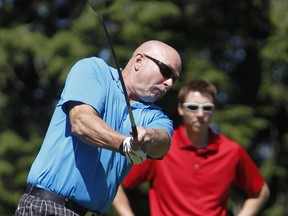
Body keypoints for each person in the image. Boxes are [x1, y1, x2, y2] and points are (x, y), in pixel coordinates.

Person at [15, 40, 182, 216]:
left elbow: (162, 142)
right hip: (49, 207)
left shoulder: (156, 116)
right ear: (139, 61)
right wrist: (125, 143)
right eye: (165, 71)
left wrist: (149, 137)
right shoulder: (94, 70)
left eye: (174, 78)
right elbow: (81, 122)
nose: (169, 83)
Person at [113, 79, 270, 216]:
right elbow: (115, 182)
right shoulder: (161, 146)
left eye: (207, 108)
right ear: (181, 109)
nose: (200, 114)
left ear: (213, 110)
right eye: (193, 107)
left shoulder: (232, 151)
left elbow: (261, 192)